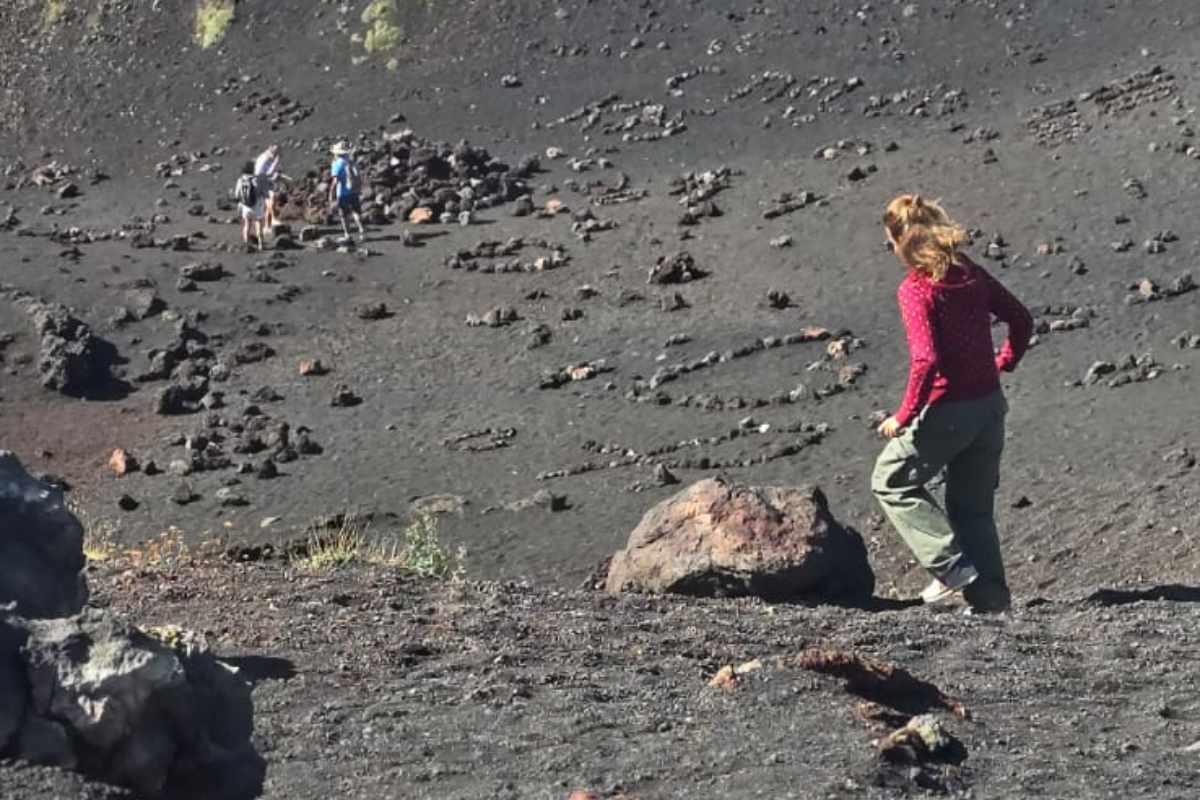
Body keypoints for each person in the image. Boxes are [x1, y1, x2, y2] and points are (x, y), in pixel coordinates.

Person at [870, 194, 1033, 612]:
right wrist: (1004, 361)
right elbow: (1021, 318)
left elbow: (926, 360)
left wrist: (903, 416)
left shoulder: (917, 289)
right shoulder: (969, 273)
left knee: (890, 481)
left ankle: (952, 570)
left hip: (949, 411)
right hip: (990, 407)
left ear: (901, 240)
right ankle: (991, 600)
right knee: (973, 509)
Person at [328, 141, 365, 242]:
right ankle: (362, 230)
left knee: (344, 215)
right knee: (356, 212)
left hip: (343, 194)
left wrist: (331, 193)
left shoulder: (337, 164)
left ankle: (347, 234)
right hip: (354, 191)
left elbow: (335, 181)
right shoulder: (352, 162)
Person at [234, 161, 264, 251]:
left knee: (247, 225)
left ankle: (246, 244)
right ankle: (260, 244)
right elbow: (260, 192)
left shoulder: (240, 180)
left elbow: (236, 195)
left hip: (246, 206)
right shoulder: (256, 180)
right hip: (256, 206)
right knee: (258, 225)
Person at [254, 144, 281, 229]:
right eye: (274, 151)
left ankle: (267, 225)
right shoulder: (264, 159)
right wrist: (275, 163)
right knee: (270, 200)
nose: (275, 153)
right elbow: (263, 173)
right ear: (270, 148)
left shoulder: (268, 158)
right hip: (262, 181)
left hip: (265, 181)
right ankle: (272, 220)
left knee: (269, 203)